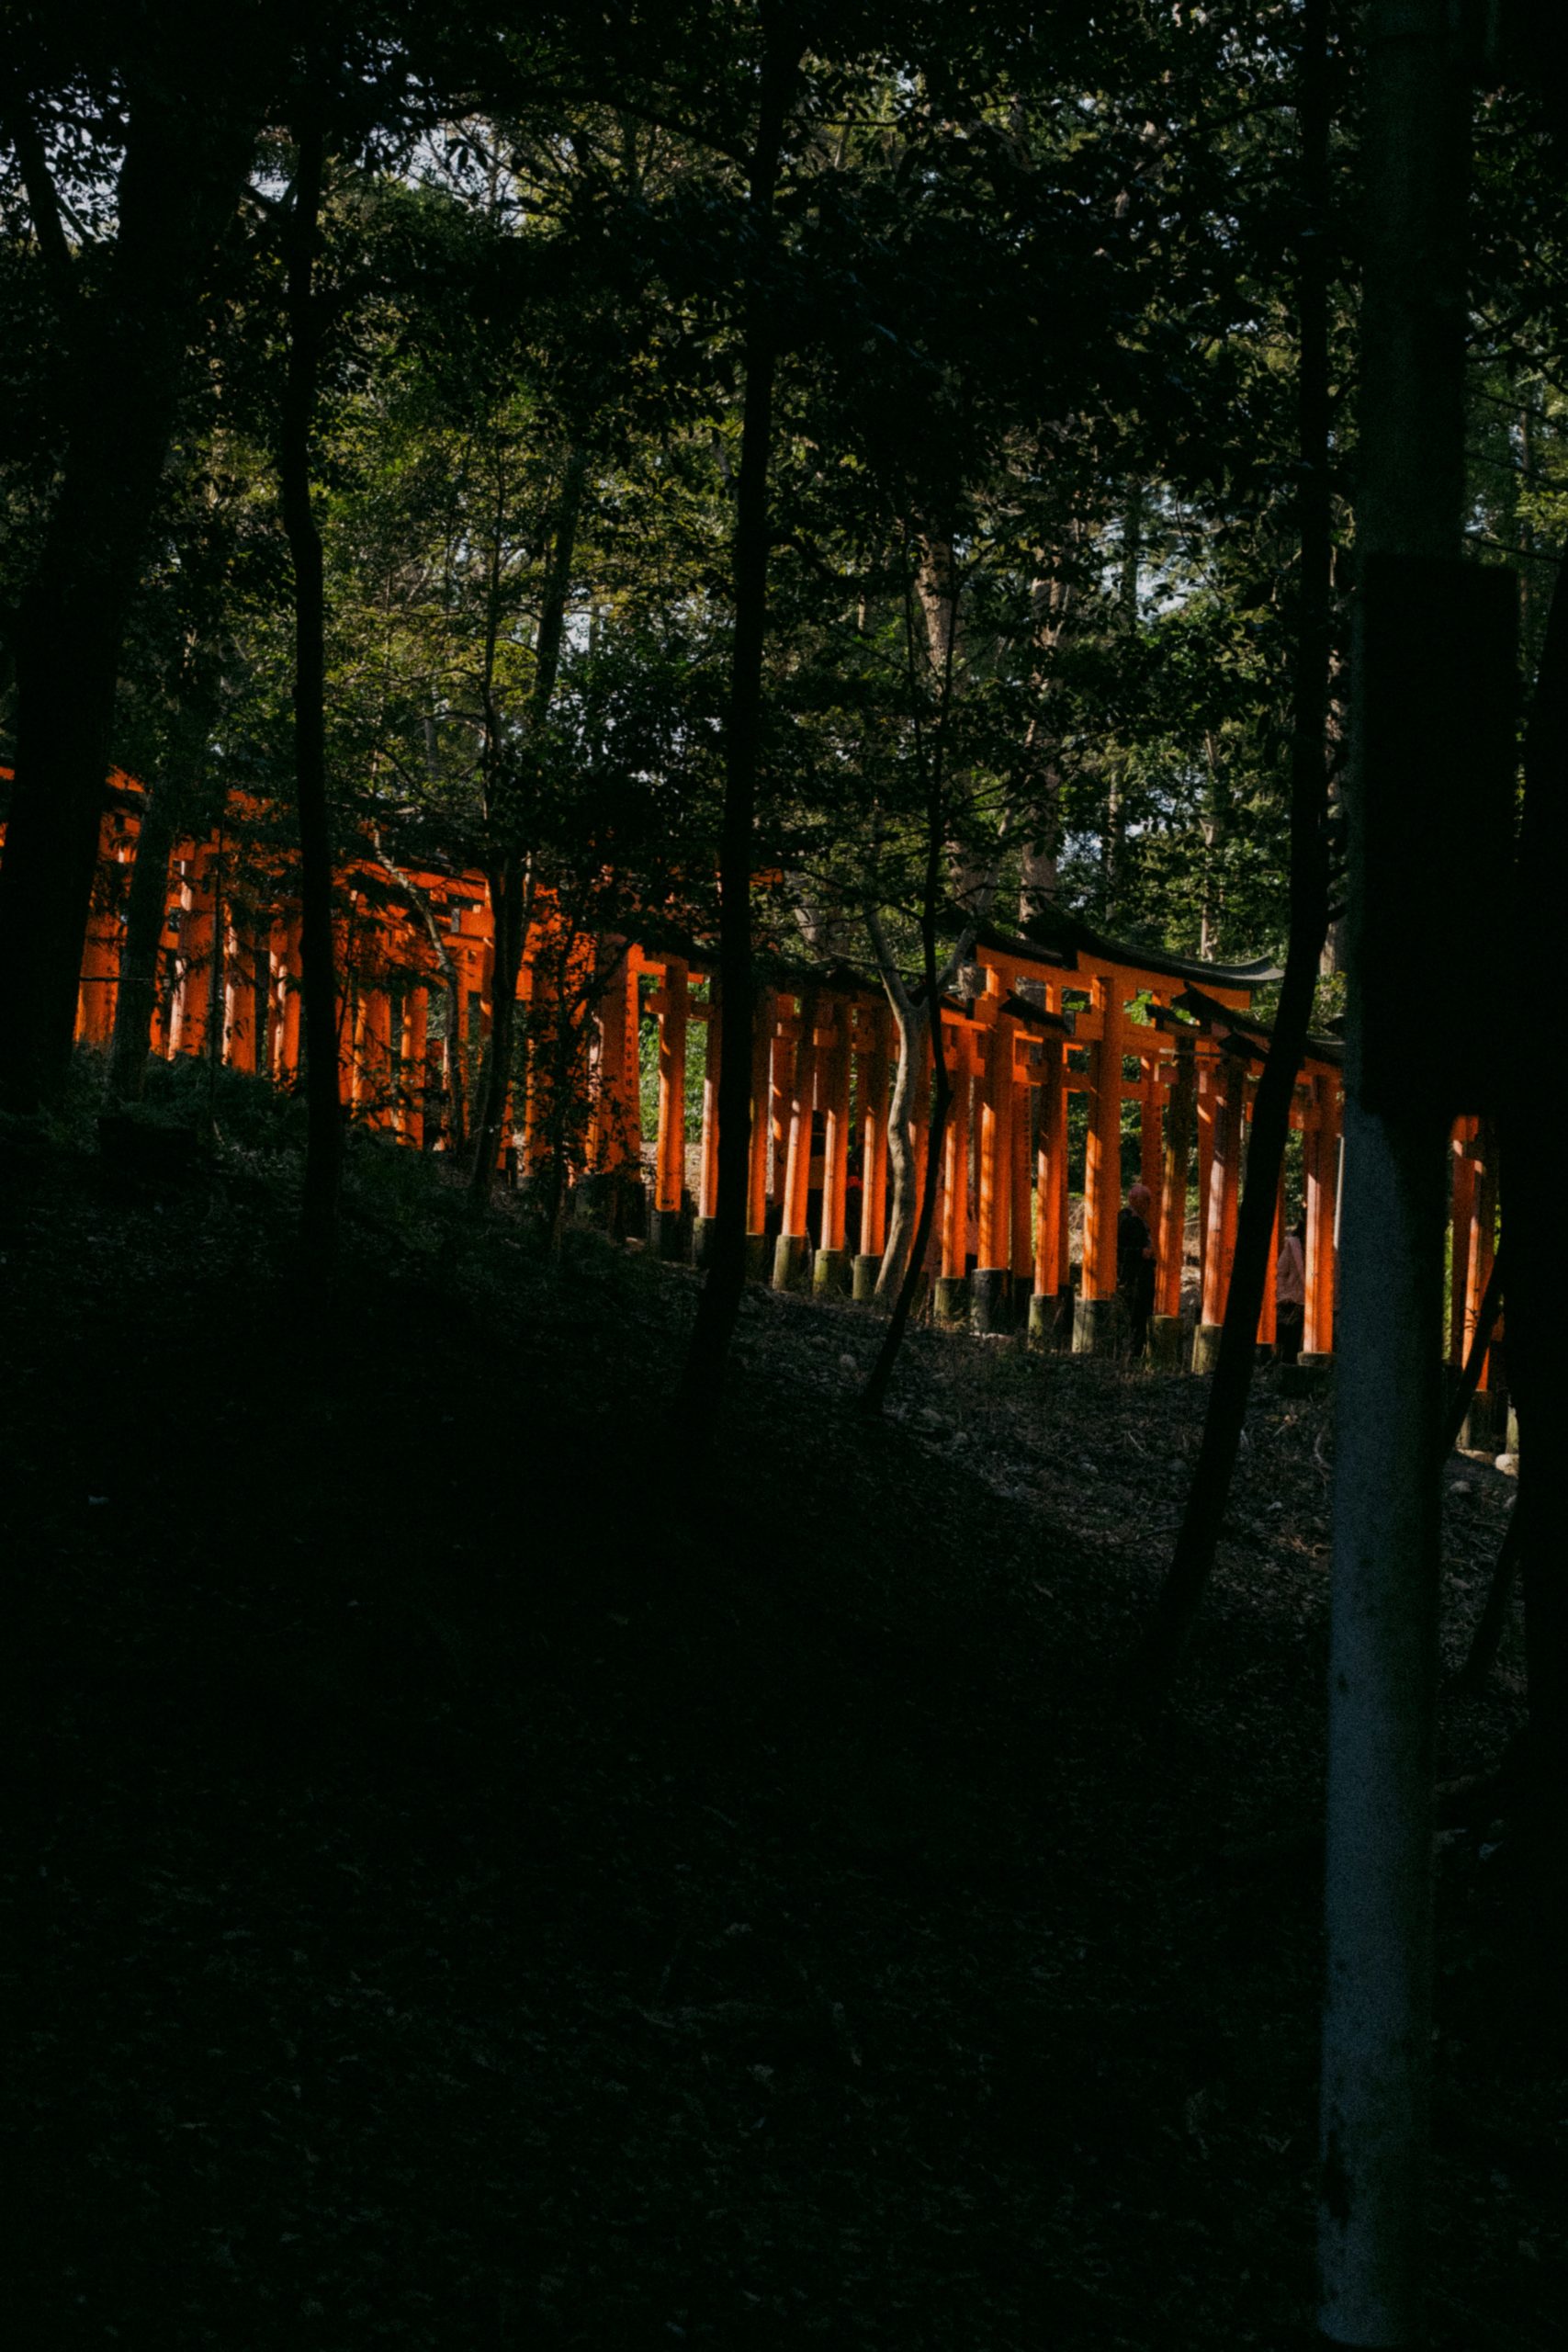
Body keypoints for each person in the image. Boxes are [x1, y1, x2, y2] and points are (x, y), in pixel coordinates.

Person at [1116, 1182, 1156, 1359]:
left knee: (1142, 1317)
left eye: (1149, 1199)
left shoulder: (1140, 1221)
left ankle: (1136, 1354)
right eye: (1145, 1199)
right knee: (1135, 1318)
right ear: (1133, 1199)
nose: (1149, 1203)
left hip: (1143, 1277)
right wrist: (1140, 1253)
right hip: (1133, 1279)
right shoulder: (1126, 1221)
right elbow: (1116, 1250)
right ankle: (1131, 1356)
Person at [1275, 1216, 1306, 1363]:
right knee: (1291, 1339)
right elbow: (1280, 1273)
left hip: (1312, 1302)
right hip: (1293, 1300)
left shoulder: (1328, 1247)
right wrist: (1283, 1295)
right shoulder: (1292, 1246)